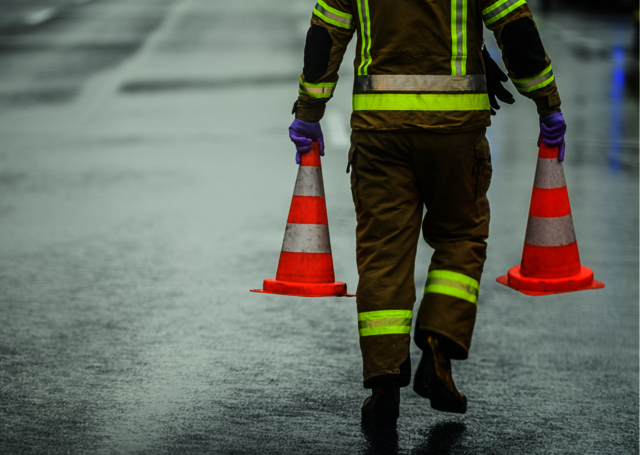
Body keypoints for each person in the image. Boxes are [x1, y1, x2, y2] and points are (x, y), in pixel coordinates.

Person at [288, 0, 566, 426]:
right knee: (461, 236)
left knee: (383, 253)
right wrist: (547, 103)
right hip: (455, 131)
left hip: (379, 133)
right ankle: (438, 343)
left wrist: (309, 111)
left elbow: (326, 37)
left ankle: (384, 384)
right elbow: (515, 28)